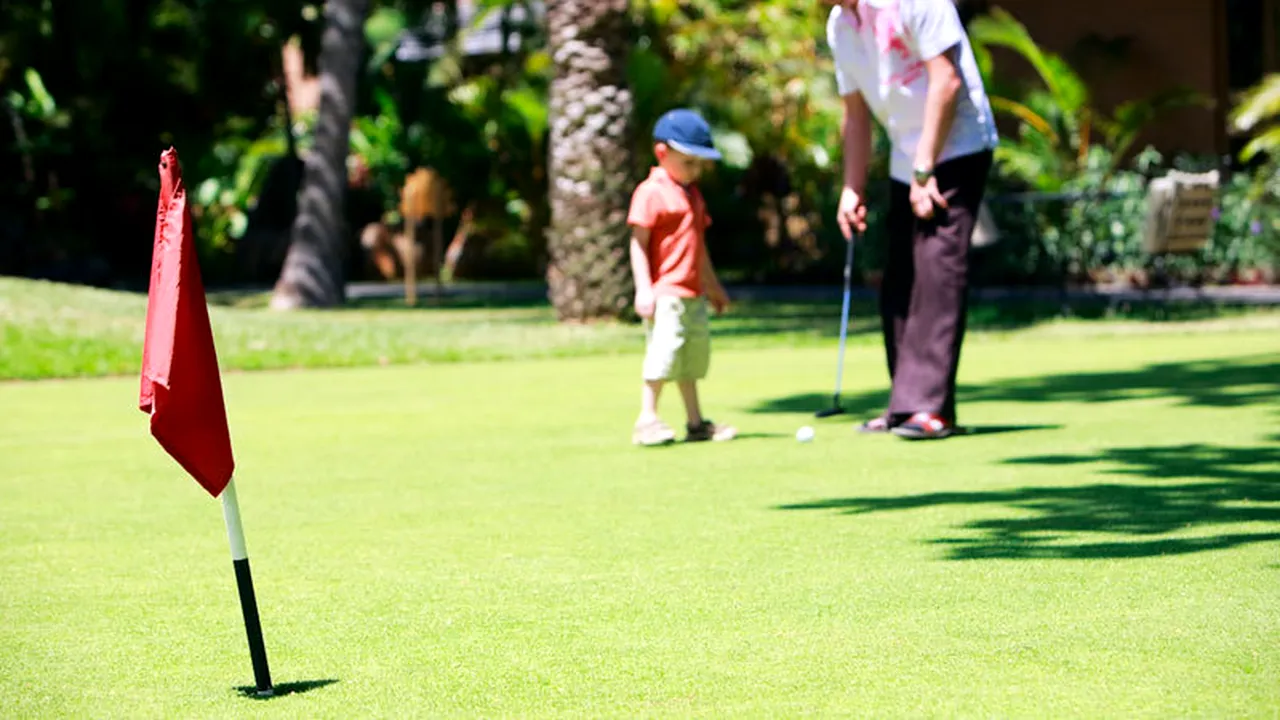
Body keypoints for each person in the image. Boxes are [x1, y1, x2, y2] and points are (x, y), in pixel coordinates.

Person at [824, 0, 998, 440]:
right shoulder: (840, 26)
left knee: (938, 269)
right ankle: (904, 404)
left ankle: (932, 408)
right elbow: (856, 111)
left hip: (957, 145)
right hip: (908, 156)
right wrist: (852, 186)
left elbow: (947, 79)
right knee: (900, 276)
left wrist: (926, 170)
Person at [627, 108, 738, 446]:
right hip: (666, 292)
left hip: (693, 293)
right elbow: (638, 244)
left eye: (699, 164)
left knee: (692, 359)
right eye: (689, 162)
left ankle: (695, 422)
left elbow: (699, 249)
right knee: (663, 354)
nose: (696, 171)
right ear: (663, 153)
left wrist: (714, 288)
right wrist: (644, 289)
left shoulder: (693, 195)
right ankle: (647, 418)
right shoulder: (651, 192)